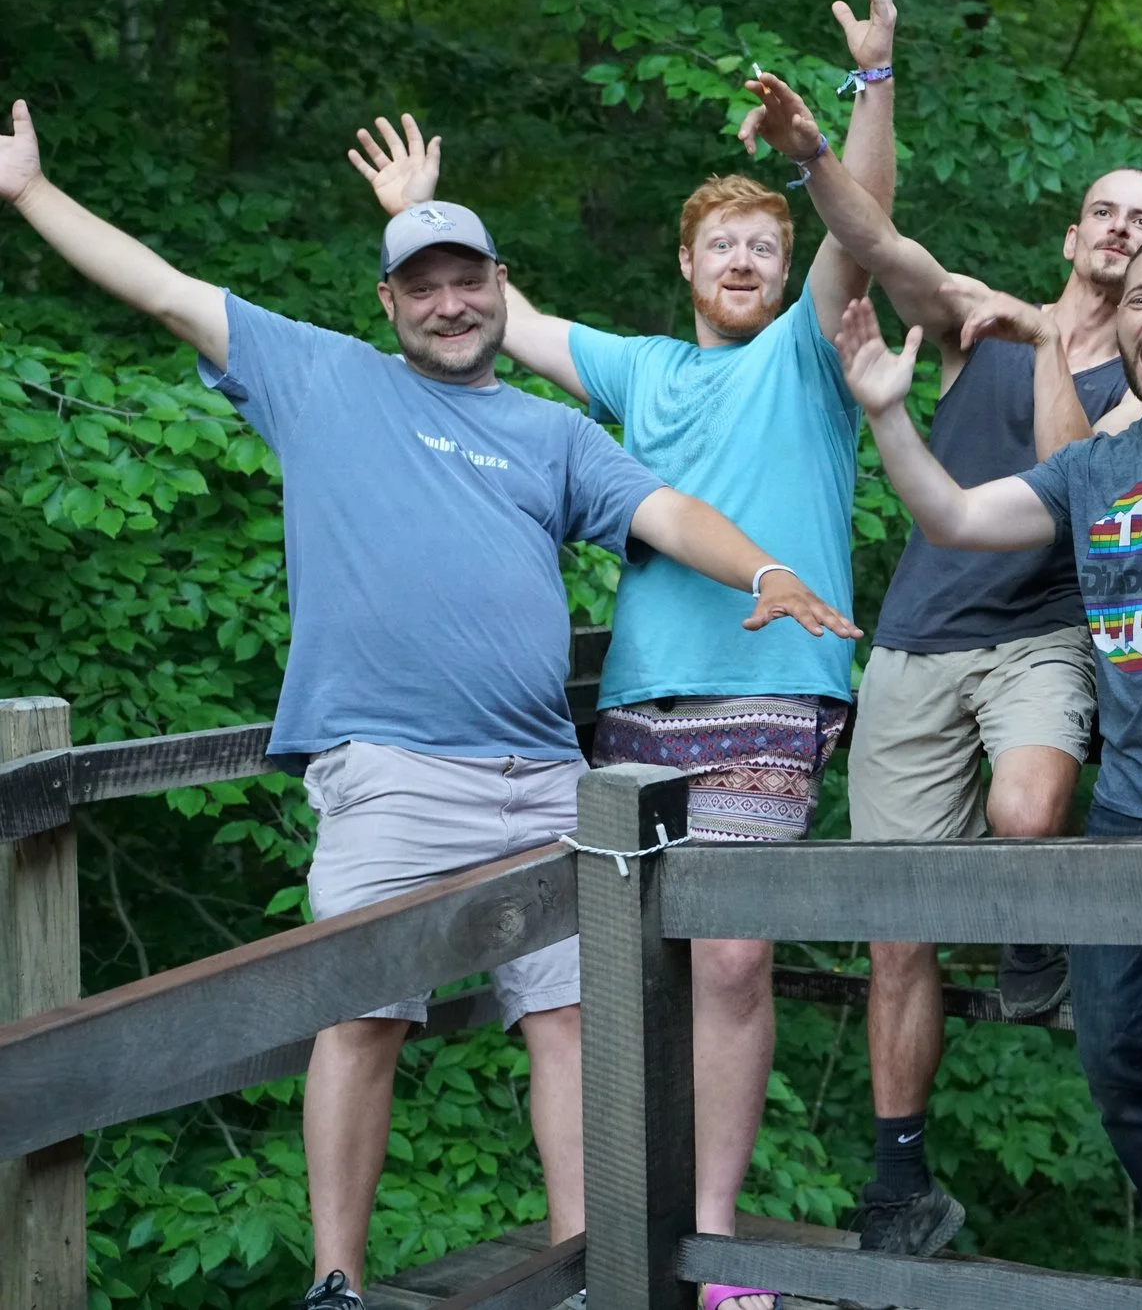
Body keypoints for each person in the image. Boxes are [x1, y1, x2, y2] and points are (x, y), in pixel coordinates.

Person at [0, 100, 853, 1310]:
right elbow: (164, 289)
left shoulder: (551, 435)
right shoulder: (320, 377)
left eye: (469, 282)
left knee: (570, 1022)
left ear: (501, 290)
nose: (450, 303)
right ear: (389, 304)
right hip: (390, 767)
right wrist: (32, 194)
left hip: (542, 779)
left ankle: (588, 1270)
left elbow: (667, 514)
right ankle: (337, 1283)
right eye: (423, 286)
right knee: (360, 1016)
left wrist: (761, 569)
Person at [345, 0, 897, 1310]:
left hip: (775, 687)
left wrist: (866, 87)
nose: (752, 261)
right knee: (619, 971)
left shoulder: (809, 355)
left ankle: (710, 1240)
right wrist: (422, 213)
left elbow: (865, 223)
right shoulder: (642, 369)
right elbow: (492, 321)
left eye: (769, 246)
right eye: (729, 245)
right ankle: (628, 1228)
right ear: (690, 265)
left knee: (733, 955)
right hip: (639, 705)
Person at [830, 223, 1142, 1292]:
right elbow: (956, 515)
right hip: (1134, 808)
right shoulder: (1089, 467)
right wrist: (886, 415)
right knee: (1114, 1058)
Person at [742, 62, 1142, 1256]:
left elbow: (1067, 467)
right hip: (915, 645)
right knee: (896, 935)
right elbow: (879, 246)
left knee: (1031, 812)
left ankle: (1032, 930)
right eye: (1107, 210)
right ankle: (901, 1187)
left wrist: (1045, 329)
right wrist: (812, 151)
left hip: (1038, 638)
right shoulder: (965, 321)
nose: (1121, 229)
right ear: (1073, 230)